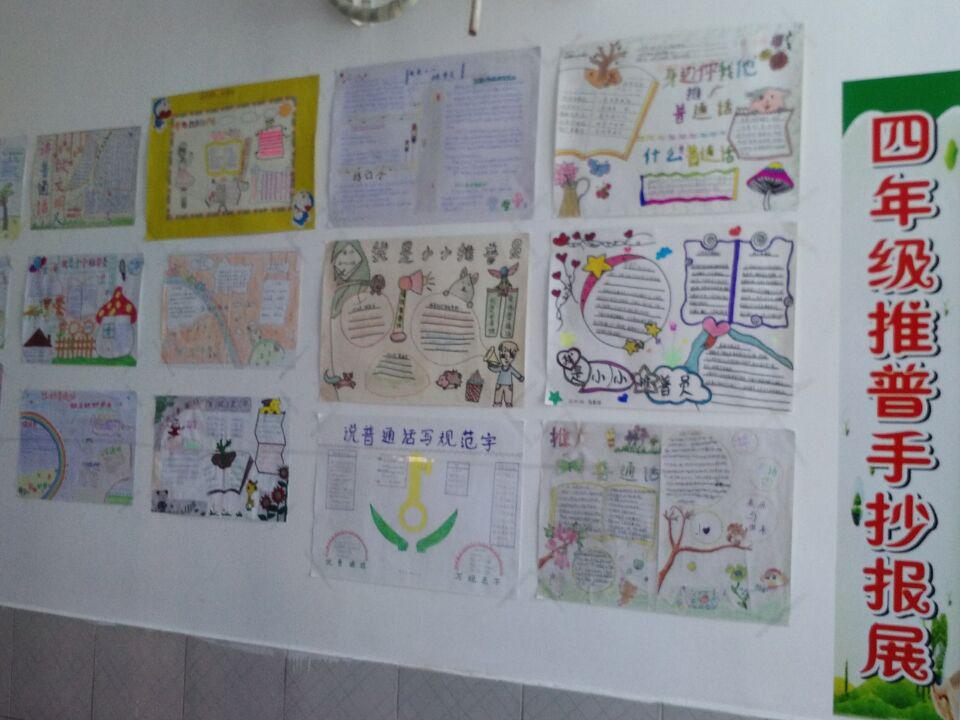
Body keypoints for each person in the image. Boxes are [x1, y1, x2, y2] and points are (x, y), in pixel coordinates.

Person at [488, 340, 524, 407]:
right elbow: (495, 369)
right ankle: (497, 403)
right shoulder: (500, 367)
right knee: (498, 396)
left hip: (508, 386)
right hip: (499, 385)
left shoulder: (510, 368)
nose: (506, 359)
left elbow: (515, 373)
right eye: (503, 356)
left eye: (510, 356)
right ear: (499, 355)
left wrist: (520, 377)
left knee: (508, 398)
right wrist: (490, 365)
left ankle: (508, 404)